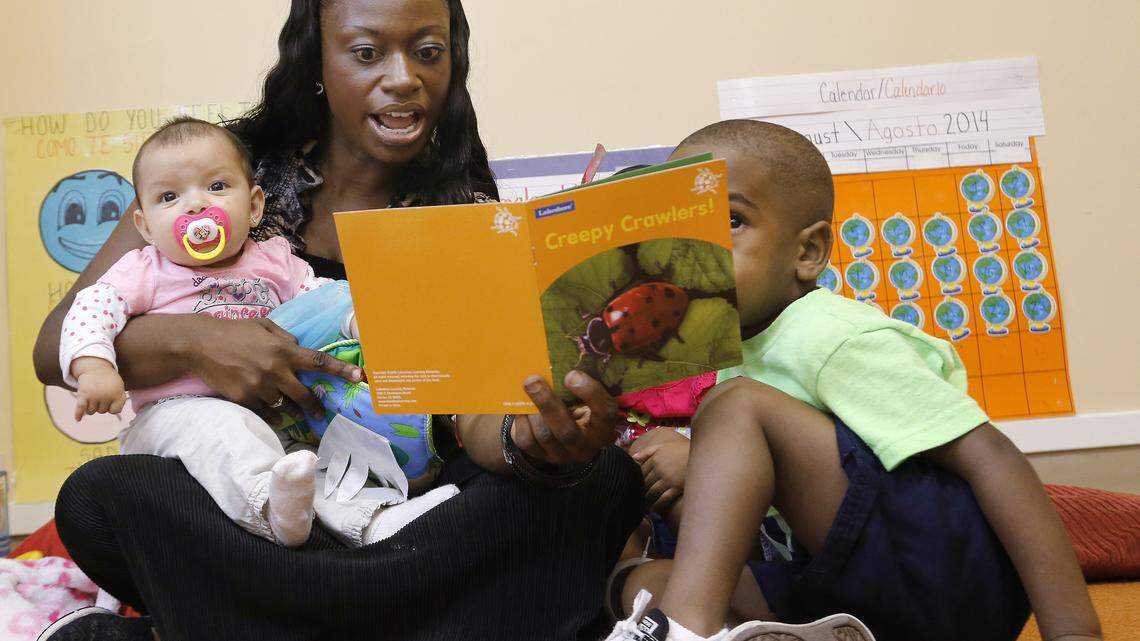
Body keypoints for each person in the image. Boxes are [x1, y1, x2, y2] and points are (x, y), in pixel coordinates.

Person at [32, 1, 641, 639]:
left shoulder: (463, 210)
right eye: (367, 52)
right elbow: (57, 346)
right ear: (316, 61)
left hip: (397, 498)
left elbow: (472, 412)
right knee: (102, 496)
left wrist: (533, 445)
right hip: (260, 505)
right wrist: (195, 341)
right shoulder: (221, 174)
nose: (404, 76)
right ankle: (405, 613)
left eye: (428, 52)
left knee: (599, 481)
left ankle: (282, 617)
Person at [606, 120, 1101, 641]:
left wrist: (1073, 630)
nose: (698, 251)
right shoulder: (734, 358)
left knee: (732, 407)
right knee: (642, 582)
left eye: (730, 220)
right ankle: (737, 628)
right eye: (681, 229)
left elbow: (993, 457)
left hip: (941, 575)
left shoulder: (831, 333)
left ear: (808, 253)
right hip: (849, 591)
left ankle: (685, 630)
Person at [58, 117, 457, 550]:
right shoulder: (145, 269)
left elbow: (319, 298)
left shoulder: (275, 261)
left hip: (273, 411)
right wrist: (94, 365)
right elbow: (92, 308)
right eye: (169, 196)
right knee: (226, 432)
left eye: (215, 187)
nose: (195, 207)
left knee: (314, 462)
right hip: (176, 413)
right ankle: (269, 508)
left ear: (253, 207)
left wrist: (360, 319)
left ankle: (377, 522)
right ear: (146, 225)